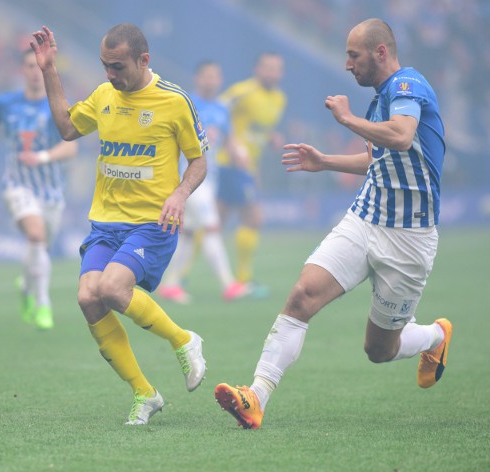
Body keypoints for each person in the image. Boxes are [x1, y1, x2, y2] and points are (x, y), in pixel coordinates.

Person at [215, 18, 452, 429]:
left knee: (378, 350)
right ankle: (256, 397)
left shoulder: (407, 86)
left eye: (353, 55)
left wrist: (345, 120)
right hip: (364, 220)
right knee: (301, 296)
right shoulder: (379, 102)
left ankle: (435, 336)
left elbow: (400, 136)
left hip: (409, 240)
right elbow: (381, 159)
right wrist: (325, 162)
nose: (347, 64)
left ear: (380, 52)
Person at [30, 23, 208, 425]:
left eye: (118, 66)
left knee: (112, 288)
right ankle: (144, 393)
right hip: (105, 224)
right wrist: (49, 70)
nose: (110, 74)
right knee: (88, 298)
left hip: (152, 223)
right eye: (105, 65)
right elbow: (66, 128)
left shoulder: (174, 100)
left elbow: (199, 161)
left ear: (144, 60)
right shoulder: (103, 95)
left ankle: (184, 340)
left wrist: (179, 195)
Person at [0, 48, 78, 330]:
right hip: (17, 185)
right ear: (22, 70)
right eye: (29, 66)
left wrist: (42, 157)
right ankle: (43, 303)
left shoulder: (56, 106)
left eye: (38, 67)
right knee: (35, 235)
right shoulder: (5, 103)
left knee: (39, 245)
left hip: (52, 191)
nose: (34, 71)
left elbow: (72, 145)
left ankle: (26, 285)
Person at [158, 60, 248, 304]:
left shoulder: (221, 109)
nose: (211, 80)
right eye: (206, 76)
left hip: (212, 176)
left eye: (215, 76)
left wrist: (238, 152)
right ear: (197, 78)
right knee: (211, 227)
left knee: (187, 233)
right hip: (190, 177)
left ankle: (170, 284)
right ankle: (229, 284)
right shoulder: (186, 104)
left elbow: (227, 138)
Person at [216, 52, 287, 293]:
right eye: (268, 68)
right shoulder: (242, 91)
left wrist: (272, 139)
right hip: (231, 162)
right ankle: (243, 279)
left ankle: (178, 277)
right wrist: (231, 144)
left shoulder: (279, 99)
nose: (272, 73)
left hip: (249, 165)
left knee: (215, 222)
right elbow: (217, 111)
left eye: (277, 69)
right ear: (257, 69)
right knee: (254, 218)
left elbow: (258, 131)